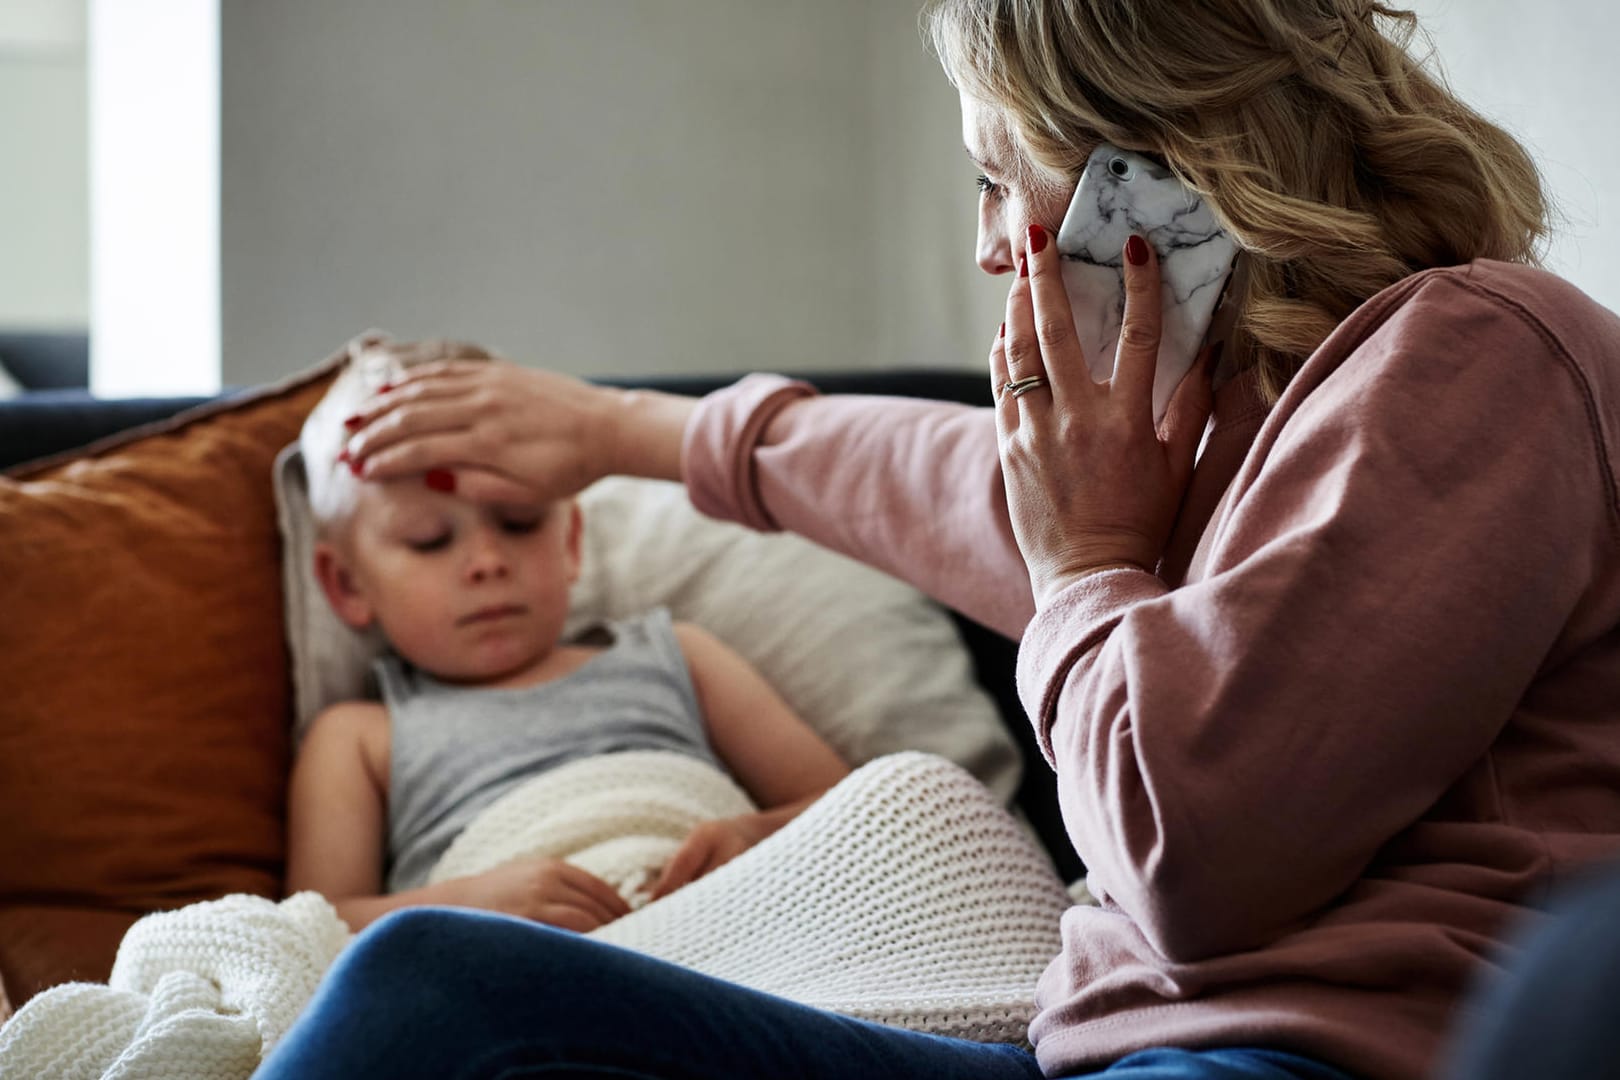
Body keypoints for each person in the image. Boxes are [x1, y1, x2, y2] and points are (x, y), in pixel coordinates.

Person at [259, 1, 1620, 1078]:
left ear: (1150, 175)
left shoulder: (1481, 358)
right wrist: (630, 434)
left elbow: (1190, 858)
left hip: (1295, 1060)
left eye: (991, 174)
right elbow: (936, 481)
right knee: (431, 986)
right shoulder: (1214, 432)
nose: (986, 246)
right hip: (1098, 1051)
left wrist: (1090, 565)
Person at [285, 359, 851, 933]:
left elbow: (858, 805)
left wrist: (754, 839)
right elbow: (308, 930)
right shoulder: (359, 737)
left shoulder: (678, 656)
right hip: (513, 968)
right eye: (429, 541)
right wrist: (465, 905)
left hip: (730, 932)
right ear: (347, 585)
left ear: (572, 541)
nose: (487, 562)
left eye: (520, 522)